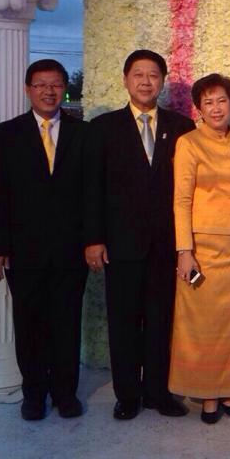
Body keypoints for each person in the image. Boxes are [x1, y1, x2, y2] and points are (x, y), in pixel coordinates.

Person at [84, 49, 195, 420]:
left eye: (153, 75)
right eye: (138, 74)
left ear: (162, 81)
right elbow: (92, 188)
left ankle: (158, 393)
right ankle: (127, 395)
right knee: (124, 322)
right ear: (125, 80)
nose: (146, 82)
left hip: (166, 244)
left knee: (161, 321)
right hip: (121, 245)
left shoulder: (181, 128)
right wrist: (94, 239)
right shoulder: (103, 128)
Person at [0, 59, 87, 420]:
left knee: (66, 323)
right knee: (29, 324)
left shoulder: (82, 133)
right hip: (23, 250)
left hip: (71, 250)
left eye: (56, 84)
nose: (49, 91)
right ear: (28, 89)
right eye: (41, 84)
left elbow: (92, 192)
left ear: (64, 89)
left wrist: (93, 240)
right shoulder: (6, 134)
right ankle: (33, 394)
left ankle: (65, 394)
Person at [169, 74, 230, 424]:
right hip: (202, 246)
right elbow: (181, 200)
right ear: (199, 109)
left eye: (222, 100)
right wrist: (184, 250)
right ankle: (207, 395)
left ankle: (228, 392)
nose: (216, 108)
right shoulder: (188, 144)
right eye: (208, 102)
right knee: (204, 324)